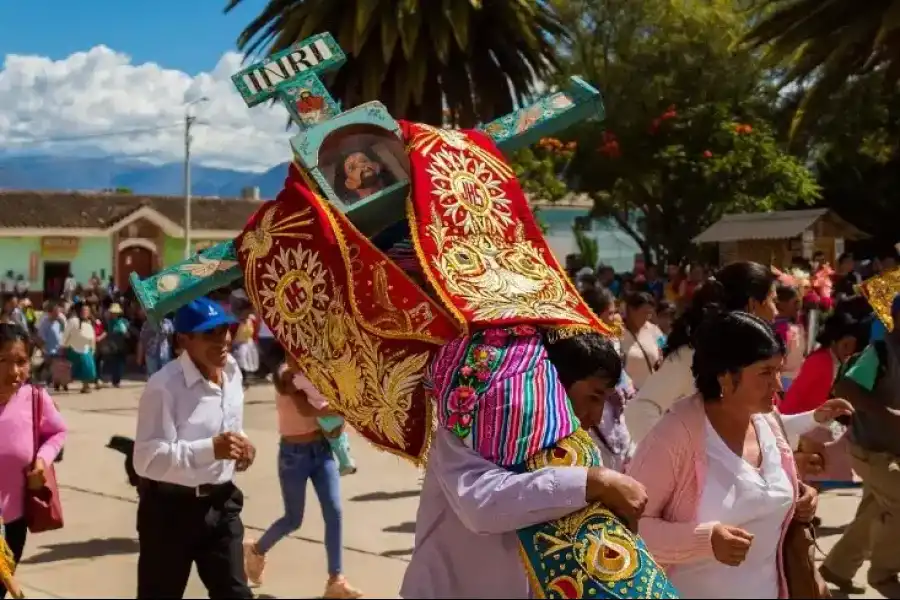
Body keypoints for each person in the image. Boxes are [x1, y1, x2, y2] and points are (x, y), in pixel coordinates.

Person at [401, 329, 664, 598]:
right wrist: (593, 482)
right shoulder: (464, 425)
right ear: (555, 384)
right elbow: (479, 505)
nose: (597, 417)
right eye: (593, 397)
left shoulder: (571, 445)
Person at [628, 312, 847, 598]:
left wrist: (801, 497)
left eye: (778, 371)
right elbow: (629, 528)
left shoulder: (767, 423)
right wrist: (705, 540)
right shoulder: (674, 436)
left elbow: (764, 492)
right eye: (766, 373)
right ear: (726, 378)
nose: (778, 386)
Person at [132, 297, 256, 599]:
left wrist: (243, 446)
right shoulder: (164, 386)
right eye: (209, 334)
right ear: (183, 339)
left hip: (222, 505)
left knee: (236, 594)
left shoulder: (233, 373)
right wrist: (210, 449)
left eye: (224, 329)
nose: (223, 340)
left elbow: (230, 428)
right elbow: (146, 460)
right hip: (170, 513)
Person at [243, 346, 361, 598]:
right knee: (293, 519)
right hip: (293, 455)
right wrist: (340, 407)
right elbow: (309, 409)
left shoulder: (318, 371)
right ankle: (256, 550)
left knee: (334, 511)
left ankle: (336, 580)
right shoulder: (286, 375)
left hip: (322, 451)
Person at [625, 261, 779, 444]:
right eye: (772, 301)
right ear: (753, 305)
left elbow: (763, 428)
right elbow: (640, 410)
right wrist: (678, 462)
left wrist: (813, 418)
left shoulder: (745, 358)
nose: (776, 312)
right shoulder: (693, 356)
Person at [820, 294, 900, 595]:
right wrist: (886, 413)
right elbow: (845, 386)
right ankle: (883, 574)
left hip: (890, 449)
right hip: (869, 449)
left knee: (875, 509)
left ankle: (837, 568)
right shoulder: (879, 351)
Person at [0, 324, 67, 599]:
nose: (13, 372)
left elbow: (57, 431)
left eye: (21, 362)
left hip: (13, 522)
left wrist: (42, 459)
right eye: (2, 361)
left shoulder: (35, 399)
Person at [620, 291, 662, 390]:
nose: (647, 317)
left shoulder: (654, 330)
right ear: (631, 310)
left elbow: (664, 347)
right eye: (644, 313)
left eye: (650, 313)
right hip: (627, 396)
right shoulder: (617, 332)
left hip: (650, 394)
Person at [332, 147, 396, 202]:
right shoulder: (351, 204)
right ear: (349, 183)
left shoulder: (394, 186)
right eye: (352, 168)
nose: (361, 165)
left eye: (364, 161)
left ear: (376, 165)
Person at [773, 284, 805, 390]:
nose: (798, 306)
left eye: (799, 302)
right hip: (783, 382)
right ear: (780, 304)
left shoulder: (793, 326)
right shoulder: (779, 328)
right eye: (795, 302)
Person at [61, 303, 97, 394]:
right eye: (83, 310)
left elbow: (92, 337)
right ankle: (61, 382)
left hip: (86, 348)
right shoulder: (73, 321)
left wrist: (93, 348)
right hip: (73, 347)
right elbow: (66, 333)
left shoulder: (90, 322)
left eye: (87, 311)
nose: (85, 312)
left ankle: (86, 386)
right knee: (71, 369)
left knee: (88, 369)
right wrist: (63, 345)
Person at [102, 303, 130, 388]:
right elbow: (108, 333)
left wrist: (124, 331)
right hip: (113, 345)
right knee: (114, 363)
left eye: (115, 312)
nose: (113, 314)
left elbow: (127, 335)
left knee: (121, 364)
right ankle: (115, 380)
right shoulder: (109, 322)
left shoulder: (124, 322)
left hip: (121, 345)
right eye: (112, 312)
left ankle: (117, 380)